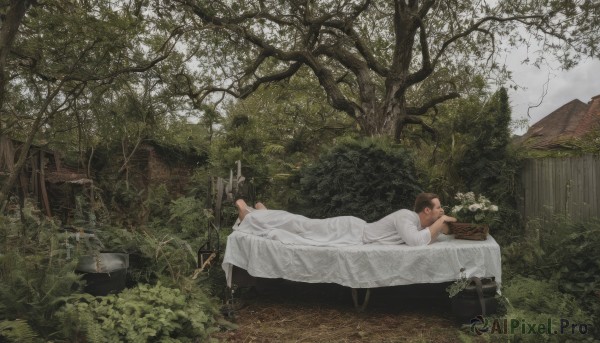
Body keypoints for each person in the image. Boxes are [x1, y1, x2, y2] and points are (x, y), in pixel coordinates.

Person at [234, 193, 456, 247]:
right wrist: (443, 220)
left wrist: (444, 225)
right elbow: (416, 242)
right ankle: (248, 213)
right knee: (302, 225)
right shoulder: (406, 216)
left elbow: (424, 236)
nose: (441, 211)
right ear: (426, 210)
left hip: (351, 230)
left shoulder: (416, 223)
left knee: (300, 225)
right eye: (438, 209)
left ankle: (264, 213)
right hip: (349, 230)